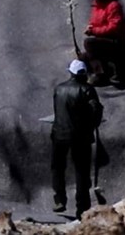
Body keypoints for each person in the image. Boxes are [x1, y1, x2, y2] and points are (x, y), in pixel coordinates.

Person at [50, 59, 103, 220]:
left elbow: (58, 111)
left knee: (58, 168)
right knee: (81, 172)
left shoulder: (59, 89)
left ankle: (59, 199)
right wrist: (91, 126)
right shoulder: (87, 90)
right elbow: (95, 111)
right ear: (84, 74)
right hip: (80, 137)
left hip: (59, 134)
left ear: (70, 72)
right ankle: (82, 208)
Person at [83, 0, 125, 84]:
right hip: (103, 39)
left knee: (89, 43)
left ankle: (100, 74)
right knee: (83, 57)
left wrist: (94, 31)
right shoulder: (96, 6)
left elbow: (114, 27)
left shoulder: (113, 6)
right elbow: (94, 21)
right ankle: (101, 70)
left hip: (115, 41)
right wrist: (90, 27)